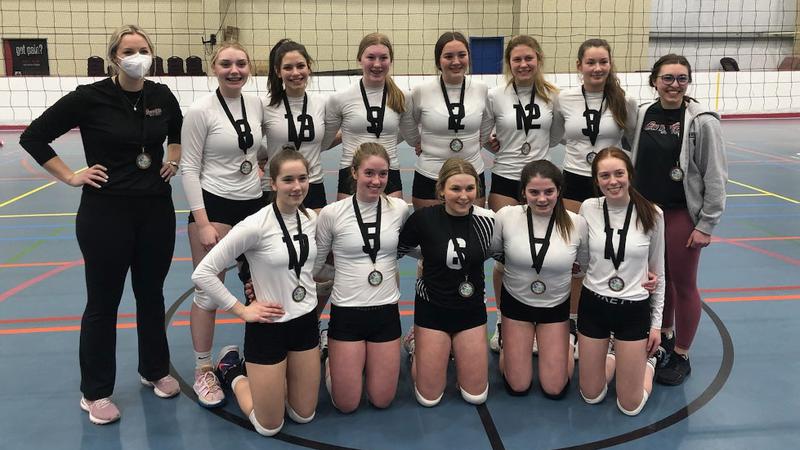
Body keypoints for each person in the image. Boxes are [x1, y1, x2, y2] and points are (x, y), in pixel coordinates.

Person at [19, 24, 182, 424]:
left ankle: (154, 369)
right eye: (129, 51)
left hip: (155, 211)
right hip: (105, 213)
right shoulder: (89, 97)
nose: (137, 57)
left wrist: (174, 159)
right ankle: (95, 392)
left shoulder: (161, 95)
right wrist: (71, 176)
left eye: (143, 49)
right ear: (114, 57)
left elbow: (176, 132)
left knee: (151, 295)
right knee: (103, 302)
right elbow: (34, 137)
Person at [191, 149, 320, 437]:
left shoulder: (311, 218)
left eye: (302, 178)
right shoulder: (255, 225)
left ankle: (272, 380)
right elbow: (203, 272)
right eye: (288, 179)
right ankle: (233, 372)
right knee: (269, 426)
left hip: (305, 322)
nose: (297, 186)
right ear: (272, 183)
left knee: (303, 415)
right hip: (268, 326)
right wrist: (242, 310)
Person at [630, 54, 727, 385]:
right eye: (668, 78)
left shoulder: (702, 121)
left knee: (683, 283)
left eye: (681, 78)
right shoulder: (642, 113)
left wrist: (706, 224)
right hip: (645, 213)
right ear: (654, 81)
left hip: (680, 212)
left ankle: (682, 354)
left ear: (688, 82)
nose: (674, 85)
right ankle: (665, 336)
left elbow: (716, 176)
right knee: (658, 280)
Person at [180, 42, 267, 408]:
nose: (234, 70)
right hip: (215, 206)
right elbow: (188, 168)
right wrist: (202, 222)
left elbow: (258, 148)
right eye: (226, 63)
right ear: (214, 67)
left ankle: (259, 356)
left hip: (254, 204)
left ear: (249, 68)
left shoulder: (256, 104)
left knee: (260, 286)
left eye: (241, 63)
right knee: (207, 292)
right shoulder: (200, 111)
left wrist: (263, 166)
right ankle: (203, 369)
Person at [551, 38, 639, 350]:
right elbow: (556, 135)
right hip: (574, 180)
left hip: (610, 183)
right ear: (579, 66)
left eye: (603, 62)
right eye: (591, 62)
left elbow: (634, 142)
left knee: (609, 251)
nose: (597, 68)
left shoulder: (624, 101)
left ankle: (610, 318)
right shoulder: (565, 98)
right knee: (574, 255)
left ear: (610, 65)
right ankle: (573, 319)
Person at [314, 143, 410, 412]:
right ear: (354, 172)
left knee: (382, 400)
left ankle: (356, 362)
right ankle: (332, 359)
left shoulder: (399, 209)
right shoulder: (333, 213)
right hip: (347, 313)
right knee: (346, 404)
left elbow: (412, 247)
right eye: (369, 173)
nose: (376, 181)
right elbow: (317, 264)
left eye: (383, 174)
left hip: (385, 313)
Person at [398, 158, 495, 407]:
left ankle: (454, 349)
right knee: (429, 398)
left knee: (476, 395)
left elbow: (503, 254)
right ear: (441, 189)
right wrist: (430, 255)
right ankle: (418, 346)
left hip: (471, 310)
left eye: (470, 188)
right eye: (455, 189)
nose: (463, 196)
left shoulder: (488, 221)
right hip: (432, 309)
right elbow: (399, 250)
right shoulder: (423, 219)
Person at [484, 35, 559, 353]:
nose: (523, 64)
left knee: (541, 255)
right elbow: (482, 132)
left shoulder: (552, 96)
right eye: (517, 59)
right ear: (509, 64)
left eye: (529, 58)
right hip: (505, 179)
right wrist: (497, 147)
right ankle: (503, 321)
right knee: (505, 258)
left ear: (538, 59)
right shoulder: (495, 96)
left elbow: (556, 135)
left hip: (539, 182)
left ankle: (540, 320)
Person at [577, 147, 664, 416]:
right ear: (596, 180)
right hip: (594, 305)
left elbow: (659, 273)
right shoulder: (588, 208)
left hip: (633, 309)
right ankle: (616, 356)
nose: (612, 181)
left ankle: (648, 364)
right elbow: (583, 259)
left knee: (630, 406)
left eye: (619, 174)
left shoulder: (652, 213)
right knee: (591, 395)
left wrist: (656, 325)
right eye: (604, 176)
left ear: (630, 175)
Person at [490, 160, 583, 398]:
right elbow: (497, 257)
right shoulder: (506, 217)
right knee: (518, 386)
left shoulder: (576, 223)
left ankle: (568, 337)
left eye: (549, 191)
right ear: (523, 192)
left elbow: (583, 266)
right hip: (516, 305)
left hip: (555, 307)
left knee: (555, 388)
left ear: (559, 191)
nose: (542, 199)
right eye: (534, 192)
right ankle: (506, 337)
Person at [405, 31, 493, 210]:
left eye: (462, 55)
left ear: (469, 57)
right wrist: (417, 141)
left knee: (471, 226)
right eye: (448, 56)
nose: (456, 61)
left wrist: (479, 142)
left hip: (471, 173)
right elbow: (408, 121)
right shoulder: (421, 91)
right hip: (430, 173)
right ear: (439, 61)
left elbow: (487, 121)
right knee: (429, 227)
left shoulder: (481, 89)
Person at [326, 33, 413, 200]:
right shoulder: (340, 98)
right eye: (371, 57)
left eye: (383, 58)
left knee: (393, 217)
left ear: (391, 60)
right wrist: (348, 134)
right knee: (349, 218)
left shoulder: (403, 97)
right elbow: (323, 143)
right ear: (360, 59)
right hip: (351, 171)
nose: (377, 64)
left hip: (389, 172)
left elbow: (412, 137)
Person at [262, 39, 334, 210]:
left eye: (300, 66)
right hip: (276, 186)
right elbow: (251, 140)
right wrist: (264, 154)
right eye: (288, 68)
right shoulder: (265, 106)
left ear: (309, 67)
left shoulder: (322, 103)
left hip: (312, 184)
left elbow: (326, 140)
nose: (295, 73)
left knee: (315, 228)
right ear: (278, 72)